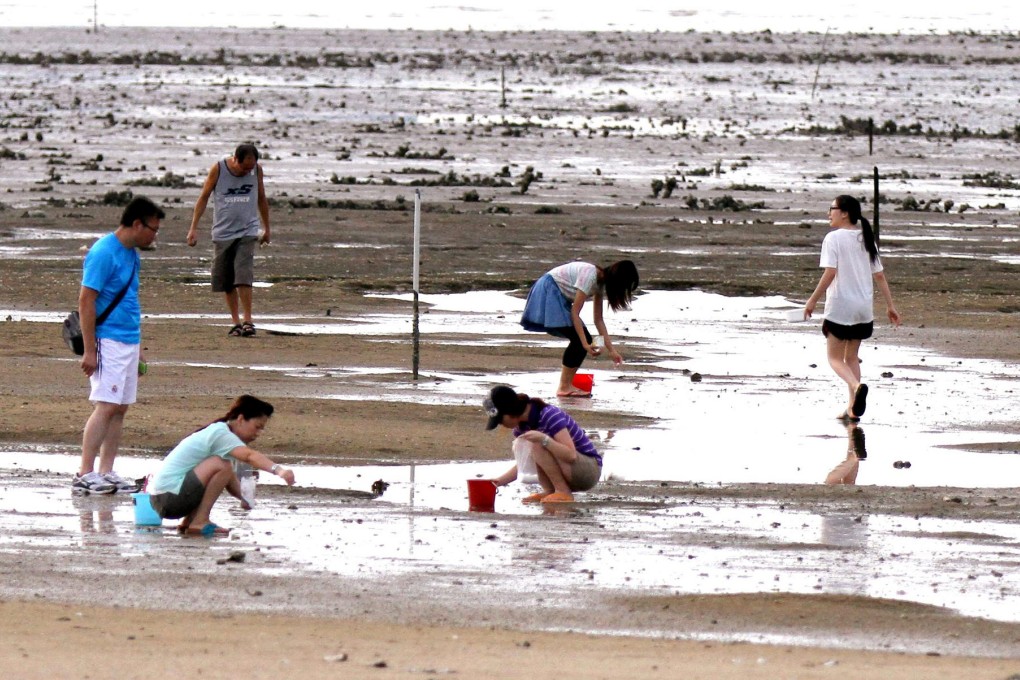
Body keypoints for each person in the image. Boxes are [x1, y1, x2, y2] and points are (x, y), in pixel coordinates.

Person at [73, 196, 164, 495]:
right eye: (153, 229)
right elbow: (86, 300)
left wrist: (139, 349)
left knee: (120, 408)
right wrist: (89, 350)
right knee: (106, 405)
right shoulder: (103, 252)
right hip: (106, 338)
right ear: (137, 224)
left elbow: (131, 300)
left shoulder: (132, 254)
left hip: (128, 338)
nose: (155, 236)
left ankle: (107, 471)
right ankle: (84, 473)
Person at [804, 195, 900, 421]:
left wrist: (812, 300)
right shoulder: (865, 237)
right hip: (862, 308)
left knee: (834, 359)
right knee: (852, 358)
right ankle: (852, 409)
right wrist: (890, 306)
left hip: (840, 307)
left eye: (832, 209)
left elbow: (830, 272)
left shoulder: (833, 238)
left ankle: (857, 387)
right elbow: (879, 275)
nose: (829, 213)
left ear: (844, 213)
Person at [148, 395, 295, 536]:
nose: (259, 433)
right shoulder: (220, 433)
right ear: (241, 419)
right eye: (257, 427)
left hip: (163, 499)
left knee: (223, 464)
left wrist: (246, 499)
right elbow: (249, 456)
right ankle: (200, 521)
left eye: (262, 429)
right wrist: (279, 470)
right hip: (168, 498)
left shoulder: (220, 434)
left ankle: (190, 521)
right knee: (221, 463)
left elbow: (228, 477)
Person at [187, 143, 271, 338]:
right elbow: (204, 197)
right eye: (244, 167)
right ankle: (236, 322)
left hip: (248, 230)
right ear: (235, 159)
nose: (247, 171)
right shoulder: (219, 169)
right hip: (223, 232)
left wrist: (267, 228)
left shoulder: (256, 171)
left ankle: (248, 320)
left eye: (251, 167)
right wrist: (193, 228)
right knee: (227, 280)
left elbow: (261, 198)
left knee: (243, 274)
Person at [520, 260, 639, 397]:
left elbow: (598, 320)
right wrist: (585, 344)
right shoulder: (590, 276)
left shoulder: (599, 282)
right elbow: (575, 312)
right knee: (579, 340)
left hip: (558, 295)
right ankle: (564, 387)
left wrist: (609, 350)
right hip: (549, 289)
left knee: (583, 339)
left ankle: (566, 385)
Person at [483, 385, 602, 504]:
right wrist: (497, 482)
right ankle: (550, 491)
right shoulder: (522, 426)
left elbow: (571, 455)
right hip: (570, 470)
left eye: (500, 420)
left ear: (510, 411)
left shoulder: (550, 415)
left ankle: (563, 491)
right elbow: (524, 461)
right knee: (535, 445)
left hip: (589, 470)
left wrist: (544, 439)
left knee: (538, 444)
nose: (501, 425)